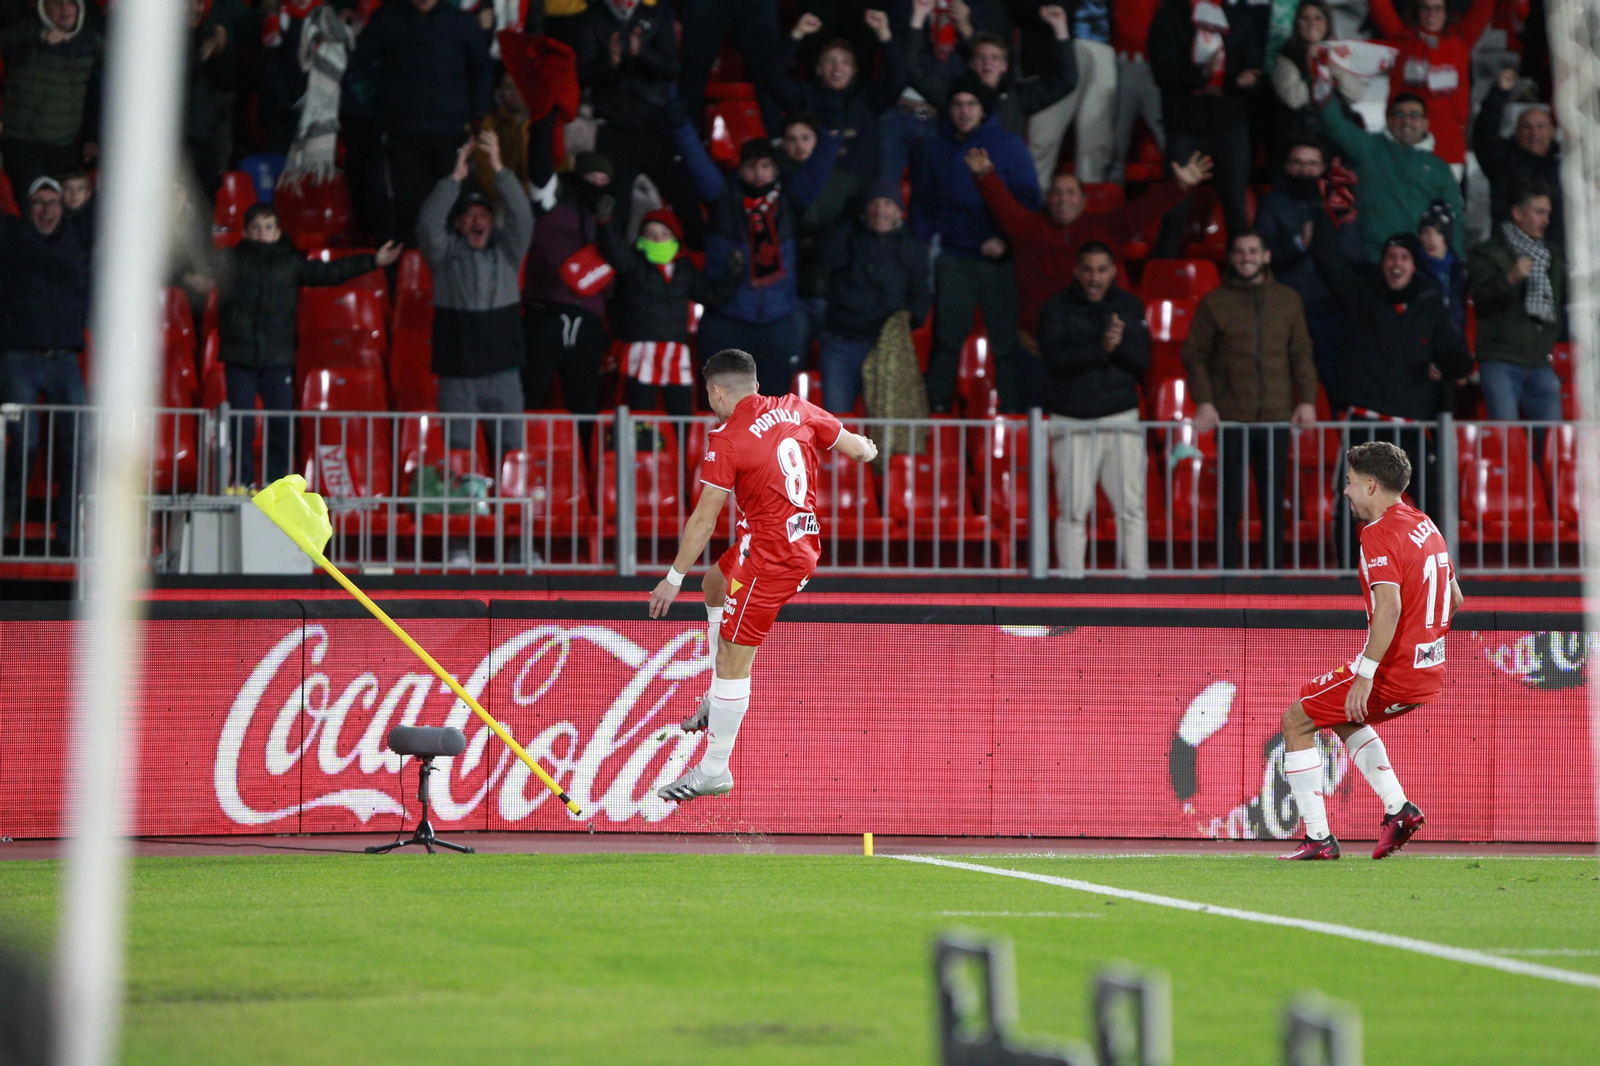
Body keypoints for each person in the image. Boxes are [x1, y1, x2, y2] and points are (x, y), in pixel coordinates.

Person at [646, 348, 880, 801]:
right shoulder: (797, 407)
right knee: (713, 582)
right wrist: (869, 451)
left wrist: (670, 579)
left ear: (716, 391)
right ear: (754, 383)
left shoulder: (728, 438)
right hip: (791, 543)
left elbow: (703, 520)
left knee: (733, 659)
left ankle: (715, 769)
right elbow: (857, 448)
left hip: (771, 558)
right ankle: (717, 699)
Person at [1279, 440, 1458, 860]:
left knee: (1296, 719)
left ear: (1372, 485)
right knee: (1334, 713)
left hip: (1394, 671)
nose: (1345, 491)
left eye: (1349, 482)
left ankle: (1319, 838)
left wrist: (1367, 673)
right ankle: (1398, 809)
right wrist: (1425, 640)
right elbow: (1456, 597)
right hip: (1428, 670)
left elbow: (1390, 606)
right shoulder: (1424, 523)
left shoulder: (1377, 533)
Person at [1309, 209, 1472, 561]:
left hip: (1410, 428)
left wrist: (1441, 366)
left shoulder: (1431, 305)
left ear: (1415, 264)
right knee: (1349, 503)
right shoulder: (1361, 294)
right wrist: (1326, 213)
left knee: (1432, 506)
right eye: (1390, 257)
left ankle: (1433, 573)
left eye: (1404, 258)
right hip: (1364, 425)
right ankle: (1344, 576)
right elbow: (1324, 258)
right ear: (1382, 263)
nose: (1396, 264)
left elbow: (1462, 360)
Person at [203, 204, 398, 486]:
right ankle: (242, 483)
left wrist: (372, 261)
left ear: (278, 231)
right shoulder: (230, 261)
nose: (262, 234)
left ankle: (277, 485)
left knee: (281, 425)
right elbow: (196, 265)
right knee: (241, 426)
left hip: (278, 358)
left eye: (268, 227)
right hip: (239, 357)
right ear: (245, 232)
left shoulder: (290, 262)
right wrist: (190, 278)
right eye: (256, 228)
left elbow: (331, 272)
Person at [668, 99, 842, 396]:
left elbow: (819, 166)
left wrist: (833, 130)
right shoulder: (722, 199)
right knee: (725, 412)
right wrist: (679, 121)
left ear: (775, 169)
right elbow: (696, 159)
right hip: (726, 322)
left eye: (766, 166)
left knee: (772, 412)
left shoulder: (788, 201)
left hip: (778, 325)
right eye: (751, 167)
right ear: (740, 169)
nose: (759, 174)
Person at [967, 145, 1207, 354]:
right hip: (1038, 348)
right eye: (1057, 193)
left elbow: (1145, 208)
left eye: (1071, 192)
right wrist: (984, 175)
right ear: (1048, 199)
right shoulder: (1028, 228)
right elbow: (1001, 203)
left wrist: (1179, 186)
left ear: (1084, 200)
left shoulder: (1106, 227)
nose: (1063, 199)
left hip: (1096, 347)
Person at [1182, 230, 1319, 571]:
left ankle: (1272, 576)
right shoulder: (1214, 301)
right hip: (1231, 417)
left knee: (1273, 501)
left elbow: (1301, 354)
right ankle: (1226, 574)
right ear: (1231, 257)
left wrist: (1308, 400)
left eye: (1253, 251)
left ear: (1266, 256)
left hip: (1276, 417)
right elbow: (1194, 355)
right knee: (1230, 501)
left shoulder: (1288, 300)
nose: (1247, 257)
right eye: (1240, 251)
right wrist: (1205, 401)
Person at [911, 76, 1039, 412]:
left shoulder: (1008, 146)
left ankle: (1013, 410)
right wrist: (923, 243)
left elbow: (1029, 201)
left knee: (1005, 340)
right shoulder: (936, 147)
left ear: (983, 110)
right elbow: (923, 202)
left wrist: (1005, 240)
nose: (963, 111)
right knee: (947, 337)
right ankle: (936, 407)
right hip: (953, 254)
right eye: (957, 104)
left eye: (971, 104)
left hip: (998, 258)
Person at [417, 131, 534, 459]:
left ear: (493, 223)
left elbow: (522, 216)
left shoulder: (509, 253)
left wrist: (498, 168)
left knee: (512, 453)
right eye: (468, 216)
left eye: (483, 215)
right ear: (457, 224)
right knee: (459, 456)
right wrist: (455, 178)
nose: (476, 220)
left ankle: (511, 511)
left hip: (504, 373)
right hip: (458, 375)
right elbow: (428, 225)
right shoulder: (443, 256)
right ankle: (463, 511)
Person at [1036, 241, 1151, 576]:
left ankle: (1138, 580)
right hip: (1071, 420)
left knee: (1131, 507)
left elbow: (1142, 362)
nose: (1095, 276)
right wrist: (1103, 347)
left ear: (1113, 271)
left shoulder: (1129, 306)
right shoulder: (1056, 307)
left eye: (1102, 269)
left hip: (1121, 418)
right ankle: (1071, 584)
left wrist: (1118, 347)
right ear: (1076, 270)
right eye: (1088, 269)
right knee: (1072, 508)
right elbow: (1056, 360)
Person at [348, 0, 492, 244]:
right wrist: (381, 108)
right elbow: (356, 64)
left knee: (458, 207)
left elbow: (483, 70)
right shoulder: (386, 19)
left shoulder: (460, 21)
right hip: (403, 136)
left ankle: (459, 275)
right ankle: (412, 275)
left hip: (451, 133)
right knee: (410, 212)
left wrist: (477, 115)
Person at [890, 0, 1074, 183]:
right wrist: (919, 16)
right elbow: (912, 69)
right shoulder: (953, 92)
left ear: (1004, 66)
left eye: (995, 58)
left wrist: (1060, 28)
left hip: (1004, 182)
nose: (988, 63)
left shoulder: (1019, 96)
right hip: (960, 180)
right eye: (981, 57)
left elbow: (1066, 80)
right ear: (971, 63)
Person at [0, 176, 89, 554]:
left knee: (80, 442)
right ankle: (6, 528)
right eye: (39, 202)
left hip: (65, 360)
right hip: (18, 357)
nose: (47, 210)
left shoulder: (75, 239)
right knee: (25, 443)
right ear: (26, 206)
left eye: (54, 202)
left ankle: (69, 535)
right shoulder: (8, 237)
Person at [575, 0, 702, 247]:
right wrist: (610, 63)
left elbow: (671, 67)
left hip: (654, 125)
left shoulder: (657, 12)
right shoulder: (591, 17)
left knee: (688, 200)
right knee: (613, 210)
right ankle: (619, 277)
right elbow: (581, 75)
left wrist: (641, 52)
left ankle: (697, 272)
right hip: (613, 127)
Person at [596, 204, 744, 415]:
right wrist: (605, 223)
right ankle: (643, 447)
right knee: (641, 412)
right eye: (651, 234)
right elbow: (613, 251)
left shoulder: (684, 269)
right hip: (641, 348)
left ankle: (681, 448)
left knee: (681, 412)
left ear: (675, 237)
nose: (657, 240)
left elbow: (712, 296)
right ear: (641, 237)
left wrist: (734, 274)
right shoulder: (635, 264)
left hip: (676, 349)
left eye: (665, 234)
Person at [1147, 0, 1261, 259]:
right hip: (1186, 126)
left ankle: (1241, 286)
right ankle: (1160, 281)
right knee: (1175, 208)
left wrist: (1247, 79)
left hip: (1230, 124)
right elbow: (1163, 72)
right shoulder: (1170, 15)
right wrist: (1201, 75)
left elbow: (1254, 64)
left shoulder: (1237, 17)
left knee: (1236, 213)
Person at [1253, 138, 1362, 392]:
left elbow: (1355, 255)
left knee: (1333, 386)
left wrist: (1324, 239)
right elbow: (1260, 258)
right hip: (1285, 314)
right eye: (1298, 163)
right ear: (1286, 166)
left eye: (1312, 164)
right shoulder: (1271, 204)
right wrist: (1299, 243)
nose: (1305, 170)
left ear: (1324, 167)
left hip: (1332, 313)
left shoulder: (1340, 204)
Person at [814, 181, 930, 413]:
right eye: (874, 203)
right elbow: (827, 258)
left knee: (885, 425)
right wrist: (846, 220)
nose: (880, 210)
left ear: (900, 210)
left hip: (886, 346)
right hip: (841, 342)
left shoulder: (913, 247)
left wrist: (907, 319)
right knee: (837, 425)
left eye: (887, 203)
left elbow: (921, 293)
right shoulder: (847, 236)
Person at [1317, 91, 1464, 263]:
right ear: (1389, 120)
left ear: (1426, 123)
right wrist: (1324, 91)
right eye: (1399, 114)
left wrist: (1458, 265)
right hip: (1374, 258)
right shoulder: (1369, 148)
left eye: (1414, 115)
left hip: (1421, 263)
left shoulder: (1439, 168)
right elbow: (1335, 126)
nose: (1406, 121)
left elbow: (1455, 219)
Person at [522, 146, 614, 416]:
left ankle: (585, 457)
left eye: (603, 181)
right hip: (545, 312)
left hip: (589, 319)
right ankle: (511, 456)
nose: (596, 186)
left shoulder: (609, 219)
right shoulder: (550, 208)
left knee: (585, 402)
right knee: (530, 391)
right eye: (591, 178)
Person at [768, 9, 908, 180]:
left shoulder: (868, 98)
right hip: (814, 188)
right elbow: (774, 77)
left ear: (854, 71)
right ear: (818, 69)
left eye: (845, 62)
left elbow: (899, 79)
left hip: (856, 191)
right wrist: (798, 33)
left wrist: (883, 33)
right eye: (830, 61)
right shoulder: (804, 96)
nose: (837, 68)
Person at [1467, 183, 1565, 423]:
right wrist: (1509, 278)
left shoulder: (1551, 254)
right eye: (1539, 212)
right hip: (1500, 361)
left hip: (1539, 360)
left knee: (1555, 444)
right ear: (1518, 213)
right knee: (1507, 442)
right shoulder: (1487, 253)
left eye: (1548, 213)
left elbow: (1562, 298)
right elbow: (1481, 299)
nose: (1546, 219)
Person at [1366, 0, 1495, 179]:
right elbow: (1379, 7)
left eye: (1437, 8)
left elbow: (1483, 8)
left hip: (1448, 146)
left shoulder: (1461, 39)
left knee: (1446, 204)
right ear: (1417, 12)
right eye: (1425, 8)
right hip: (1405, 141)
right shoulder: (1402, 40)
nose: (1431, 14)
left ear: (1446, 12)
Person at [0, 0, 101, 197]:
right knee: (35, 204)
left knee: (69, 204)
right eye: (58, 3)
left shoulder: (89, 39)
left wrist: (91, 136)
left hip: (64, 143)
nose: (65, 9)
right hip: (23, 142)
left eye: (72, 3)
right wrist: (39, 36)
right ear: (43, 8)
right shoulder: (26, 30)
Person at [1027, 0, 1118, 187]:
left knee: (1096, 143)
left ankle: (1088, 206)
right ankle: (1033, 206)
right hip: (1056, 44)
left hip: (1103, 45)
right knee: (1043, 140)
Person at [1474, 67, 1563, 244]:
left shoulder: (1565, 161)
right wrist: (1499, 93)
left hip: (1556, 252)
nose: (1534, 133)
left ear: (1552, 132)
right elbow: (1485, 135)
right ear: (1516, 132)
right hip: (1507, 251)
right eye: (1527, 127)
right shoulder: (1501, 159)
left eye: (1541, 126)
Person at [1269, 1, 1363, 151]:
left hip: (1339, 135)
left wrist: (1335, 68)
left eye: (1318, 18)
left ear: (1327, 23)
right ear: (1297, 23)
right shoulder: (1286, 56)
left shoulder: (1339, 53)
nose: (1311, 23)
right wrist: (1314, 68)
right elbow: (1294, 99)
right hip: (1301, 138)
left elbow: (1356, 94)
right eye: (1305, 18)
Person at [1109, 0, 1164, 186]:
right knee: (1115, 144)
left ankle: (1175, 204)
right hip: (1121, 63)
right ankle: (1112, 206)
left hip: (1154, 67)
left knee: (1168, 139)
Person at [1416, 200, 1466, 335]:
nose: (1431, 239)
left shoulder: (1460, 273)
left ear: (1447, 237)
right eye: (1426, 232)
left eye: (1438, 232)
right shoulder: (1413, 270)